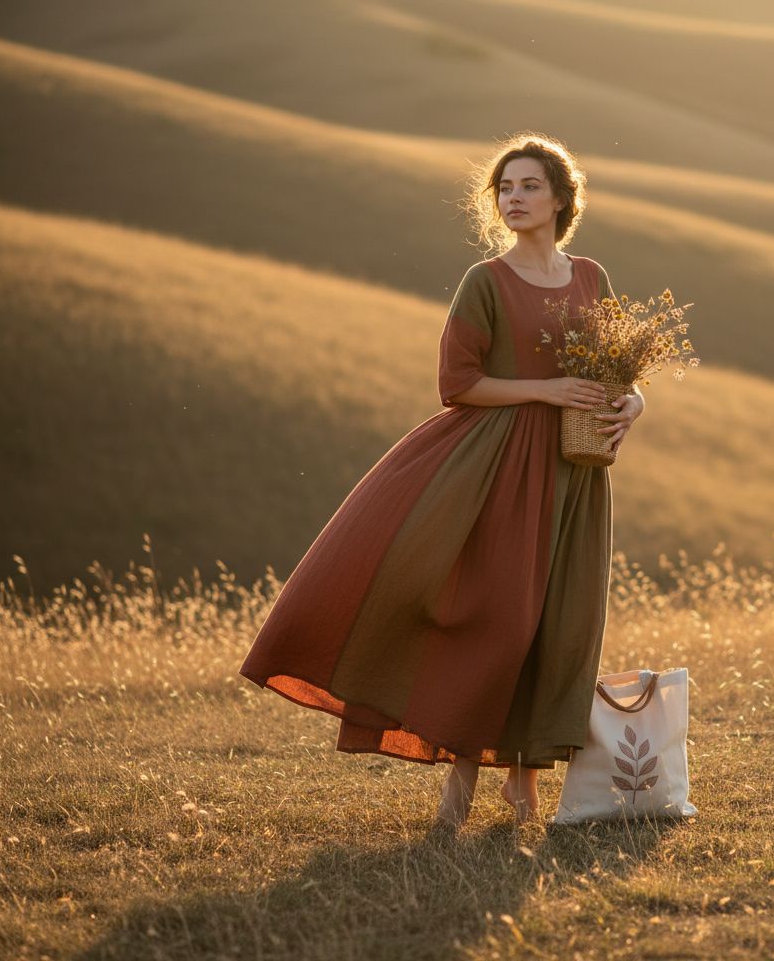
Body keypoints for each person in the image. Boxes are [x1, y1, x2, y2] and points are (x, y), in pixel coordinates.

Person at [239, 132, 646, 830]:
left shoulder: (592, 278)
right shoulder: (485, 280)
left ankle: (524, 800)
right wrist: (548, 391)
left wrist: (634, 403)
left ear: (560, 198)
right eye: (504, 190)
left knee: (554, 627)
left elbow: (617, 373)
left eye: (527, 187)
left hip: (575, 476)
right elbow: (457, 384)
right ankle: (455, 803)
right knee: (497, 624)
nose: (513, 200)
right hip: (497, 468)